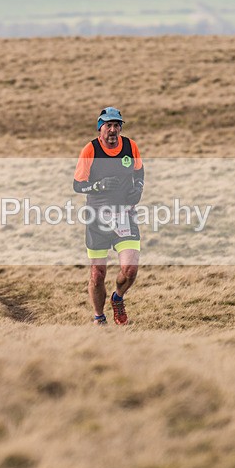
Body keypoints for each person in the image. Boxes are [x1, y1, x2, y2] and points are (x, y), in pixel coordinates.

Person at [73, 106, 145, 326]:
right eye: (108, 125)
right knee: (97, 275)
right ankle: (99, 318)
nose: (113, 130)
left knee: (130, 270)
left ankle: (118, 298)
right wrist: (98, 185)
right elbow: (78, 185)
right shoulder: (90, 150)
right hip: (97, 219)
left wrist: (138, 188)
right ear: (100, 128)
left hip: (124, 216)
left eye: (116, 125)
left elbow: (139, 171)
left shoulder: (130, 146)